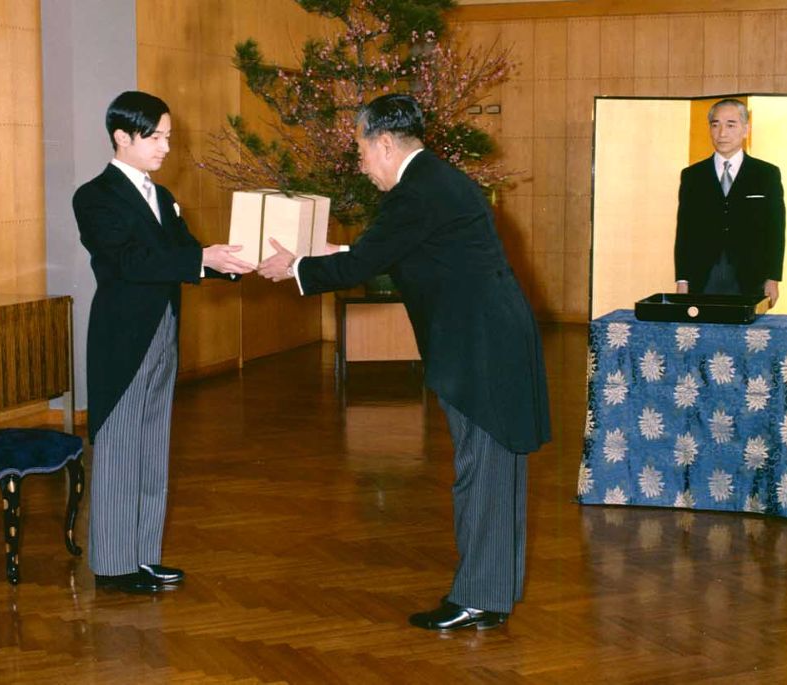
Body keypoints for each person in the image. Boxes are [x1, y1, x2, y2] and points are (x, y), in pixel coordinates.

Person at [259, 93, 551, 631]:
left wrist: (295, 268)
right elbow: (385, 252)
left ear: (386, 143)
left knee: (481, 471)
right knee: (494, 470)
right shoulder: (434, 181)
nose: (361, 164)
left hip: (480, 346)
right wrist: (320, 256)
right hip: (490, 338)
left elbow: (366, 261)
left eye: (361, 151)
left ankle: (478, 599)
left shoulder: (415, 192)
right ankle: (491, 593)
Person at [73, 91, 254, 594]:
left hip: (164, 331)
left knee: (152, 444)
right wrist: (202, 260)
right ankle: (113, 566)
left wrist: (233, 262)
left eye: (168, 138)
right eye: (155, 137)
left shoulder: (162, 195)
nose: (165, 148)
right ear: (121, 137)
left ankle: (143, 555)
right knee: (118, 447)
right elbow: (129, 262)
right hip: (124, 338)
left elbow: (186, 252)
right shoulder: (94, 196)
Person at [674, 98, 786, 306]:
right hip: (703, 276)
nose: (722, 133)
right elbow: (684, 231)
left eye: (731, 125)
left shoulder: (766, 174)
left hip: (751, 276)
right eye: (715, 125)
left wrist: (773, 277)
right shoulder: (693, 176)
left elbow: (776, 230)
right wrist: (682, 279)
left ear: (746, 129)